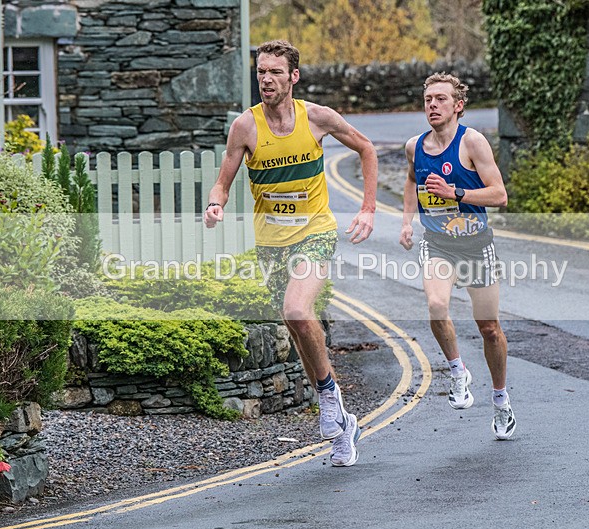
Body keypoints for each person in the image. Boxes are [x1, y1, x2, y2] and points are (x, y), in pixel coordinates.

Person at [204, 40, 377, 466]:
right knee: (297, 324)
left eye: (275, 72)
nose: (266, 79)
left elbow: (367, 149)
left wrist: (368, 208)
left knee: (298, 311)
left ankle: (330, 402)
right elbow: (223, 180)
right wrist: (215, 204)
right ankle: (339, 422)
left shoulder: (317, 118)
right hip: (271, 244)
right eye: (261, 72)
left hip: (315, 232)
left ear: (293, 77)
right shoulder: (245, 128)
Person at [398, 73, 515, 440]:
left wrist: (455, 194)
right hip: (438, 243)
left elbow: (499, 196)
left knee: (489, 328)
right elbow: (410, 183)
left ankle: (500, 399)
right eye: (428, 99)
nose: (432, 105)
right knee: (436, 305)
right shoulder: (414, 146)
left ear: (458, 105)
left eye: (440, 99)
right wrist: (406, 223)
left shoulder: (473, 143)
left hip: (476, 243)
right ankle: (458, 372)